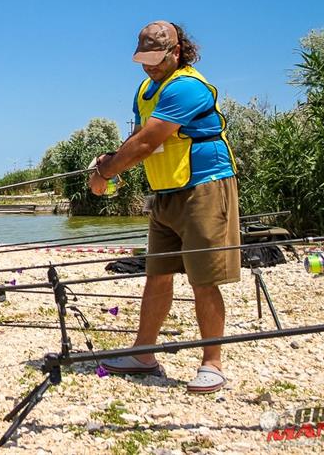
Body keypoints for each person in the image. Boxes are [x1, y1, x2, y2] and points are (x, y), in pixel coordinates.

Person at [89, 20, 239, 393]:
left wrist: (105, 172)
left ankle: (213, 363)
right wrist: (111, 162)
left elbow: (147, 142)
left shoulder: (188, 87)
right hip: (166, 191)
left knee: (204, 279)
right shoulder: (146, 88)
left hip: (204, 187)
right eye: (145, 59)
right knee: (157, 274)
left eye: (157, 58)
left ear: (176, 52)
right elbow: (139, 138)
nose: (150, 66)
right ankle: (144, 353)